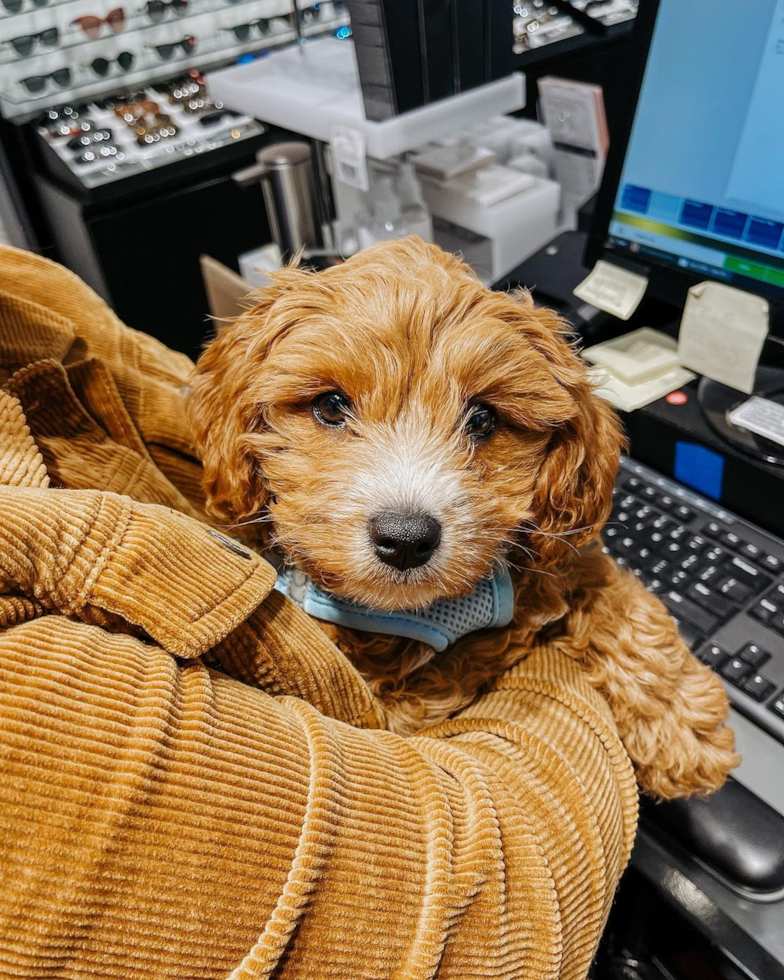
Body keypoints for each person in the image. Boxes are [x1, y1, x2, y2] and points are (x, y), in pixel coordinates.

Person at [0, 244, 637, 979]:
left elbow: (184, 383)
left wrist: (585, 591)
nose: (410, 494)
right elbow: (492, 911)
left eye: (481, 422)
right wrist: (556, 636)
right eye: (334, 408)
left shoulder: (24, 288)